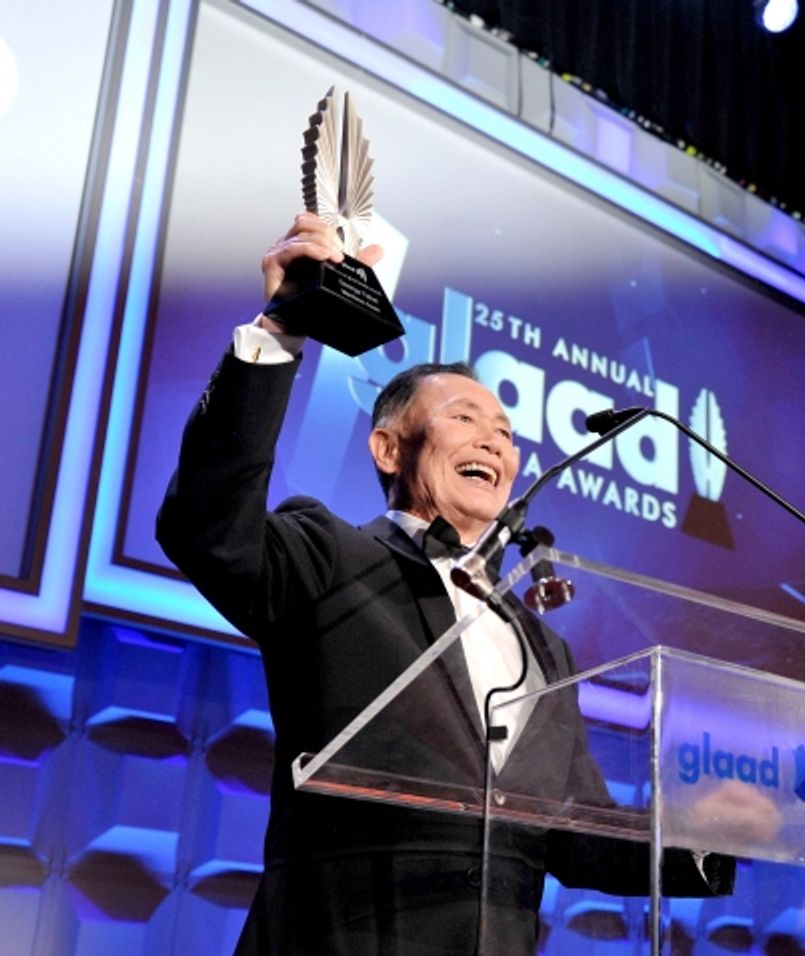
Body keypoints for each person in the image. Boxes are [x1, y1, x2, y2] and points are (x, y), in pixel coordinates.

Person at [156, 214, 731, 955]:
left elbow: (578, 838)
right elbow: (207, 524)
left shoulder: (545, 648)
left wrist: (711, 836)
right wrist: (278, 333)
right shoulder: (328, 556)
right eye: (465, 417)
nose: (496, 439)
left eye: (506, 432)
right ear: (389, 448)